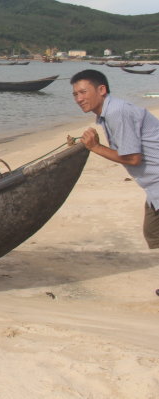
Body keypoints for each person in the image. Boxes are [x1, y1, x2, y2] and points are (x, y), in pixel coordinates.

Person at [71, 70, 159, 296]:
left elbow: (133, 157)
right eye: (75, 94)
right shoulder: (107, 114)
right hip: (152, 186)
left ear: (102, 90)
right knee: (153, 232)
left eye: (83, 92)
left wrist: (95, 147)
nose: (79, 98)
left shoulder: (118, 112)